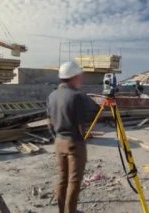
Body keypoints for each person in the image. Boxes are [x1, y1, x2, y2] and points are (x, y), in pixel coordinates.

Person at [47, 61, 87, 213]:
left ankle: (61, 210)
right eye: (80, 76)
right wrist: (81, 140)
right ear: (73, 77)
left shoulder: (52, 95)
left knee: (62, 178)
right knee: (74, 181)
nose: (81, 80)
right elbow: (81, 125)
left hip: (59, 141)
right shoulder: (77, 96)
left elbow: (49, 122)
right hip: (73, 142)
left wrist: (56, 138)